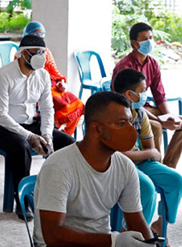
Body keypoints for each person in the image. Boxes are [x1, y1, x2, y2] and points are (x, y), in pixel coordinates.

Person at [34, 91, 155, 247]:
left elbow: (136, 221)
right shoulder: (58, 167)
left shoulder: (125, 166)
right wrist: (113, 241)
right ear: (96, 129)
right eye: (121, 123)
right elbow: (53, 236)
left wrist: (150, 243)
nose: (130, 130)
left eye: (129, 122)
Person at [0, 35, 75, 220]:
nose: (40, 57)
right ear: (22, 53)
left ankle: (65, 194)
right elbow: (0, 116)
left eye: (42, 53)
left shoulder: (43, 75)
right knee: (21, 147)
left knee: (68, 142)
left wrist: (47, 136)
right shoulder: (2, 76)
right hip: (4, 128)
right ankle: (23, 201)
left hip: (31, 124)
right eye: (35, 53)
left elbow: (47, 108)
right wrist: (30, 137)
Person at [113, 68, 182, 239]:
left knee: (175, 180)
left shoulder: (140, 113)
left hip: (141, 162)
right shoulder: (113, 115)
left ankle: (160, 225)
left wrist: (145, 154)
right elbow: (119, 155)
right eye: (142, 91)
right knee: (147, 188)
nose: (145, 95)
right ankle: (137, 234)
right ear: (129, 94)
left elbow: (153, 151)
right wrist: (146, 153)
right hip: (119, 164)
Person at [112, 22, 182, 168]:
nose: (150, 42)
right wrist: (160, 121)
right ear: (134, 43)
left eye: (151, 37)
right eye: (145, 39)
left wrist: (169, 117)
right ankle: (156, 165)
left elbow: (159, 95)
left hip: (145, 107)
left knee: (180, 122)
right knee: (156, 126)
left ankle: (168, 167)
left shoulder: (153, 64)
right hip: (129, 110)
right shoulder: (125, 66)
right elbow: (126, 102)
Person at [22, 21, 84, 136]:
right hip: (34, 90)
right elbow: (22, 78)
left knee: (78, 104)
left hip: (53, 87)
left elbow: (55, 72)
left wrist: (61, 84)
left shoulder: (46, 52)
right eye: (36, 35)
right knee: (59, 105)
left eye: (41, 35)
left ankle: (66, 135)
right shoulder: (22, 54)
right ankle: (53, 133)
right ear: (27, 36)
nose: (39, 38)